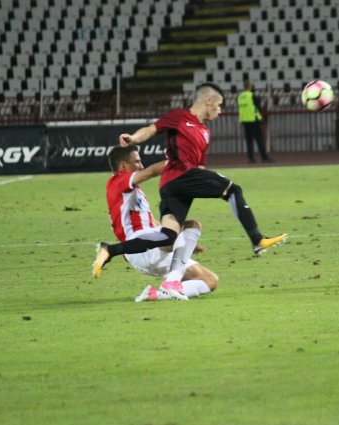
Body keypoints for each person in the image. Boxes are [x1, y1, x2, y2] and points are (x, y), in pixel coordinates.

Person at [94, 82, 286, 287]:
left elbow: (200, 168)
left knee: (168, 235)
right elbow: (151, 130)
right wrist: (133, 137)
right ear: (208, 100)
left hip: (178, 184)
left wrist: (203, 185)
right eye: (219, 105)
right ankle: (257, 240)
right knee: (233, 190)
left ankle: (116, 253)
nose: (220, 111)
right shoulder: (179, 116)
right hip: (178, 175)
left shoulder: (205, 133)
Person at [95, 144, 218, 301]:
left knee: (210, 281)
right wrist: (177, 163)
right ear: (123, 165)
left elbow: (156, 225)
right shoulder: (118, 181)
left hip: (151, 249)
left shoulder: (132, 192)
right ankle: (172, 282)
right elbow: (151, 172)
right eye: (137, 162)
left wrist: (188, 242)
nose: (141, 165)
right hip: (141, 246)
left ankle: (155, 294)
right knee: (186, 228)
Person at [237, 80, 272, 163]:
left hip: (244, 121)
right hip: (253, 120)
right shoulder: (252, 96)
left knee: (249, 141)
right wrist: (260, 120)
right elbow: (257, 109)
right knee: (259, 140)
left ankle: (250, 158)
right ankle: (264, 157)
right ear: (250, 86)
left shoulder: (240, 96)